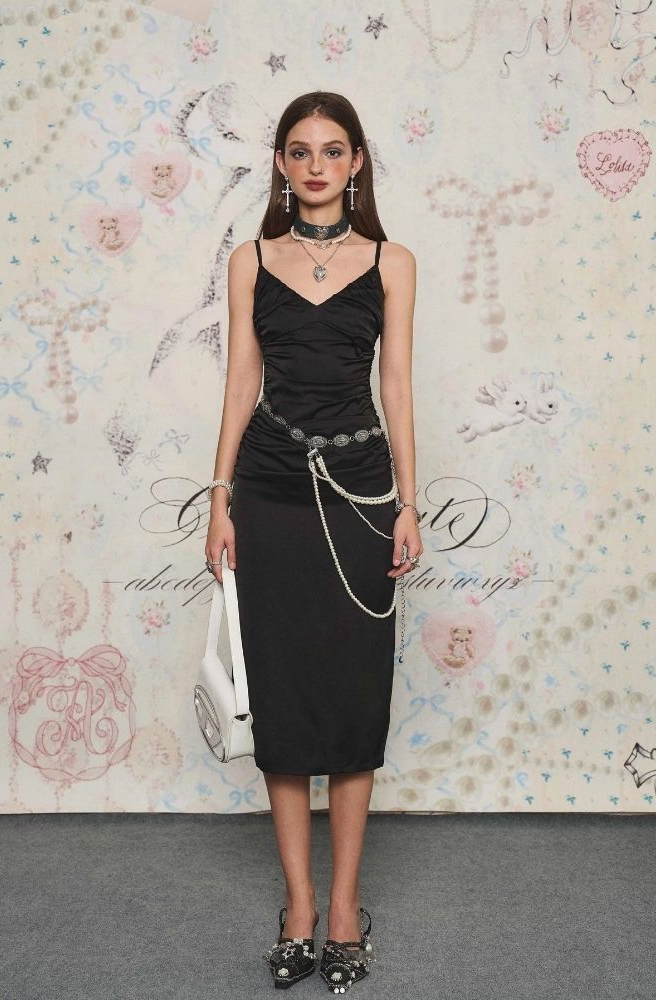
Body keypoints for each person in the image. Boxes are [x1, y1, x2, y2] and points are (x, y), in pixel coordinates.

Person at [204, 91, 421, 993]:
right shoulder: (250, 260)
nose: (317, 165)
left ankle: (344, 908)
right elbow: (240, 382)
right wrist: (220, 498)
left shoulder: (393, 262)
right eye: (301, 151)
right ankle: (299, 907)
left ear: (357, 161)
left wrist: (410, 503)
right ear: (282, 165)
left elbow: (397, 384)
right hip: (268, 490)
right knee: (286, 698)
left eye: (334, 150)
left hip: (363, 491)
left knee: (355, 698)